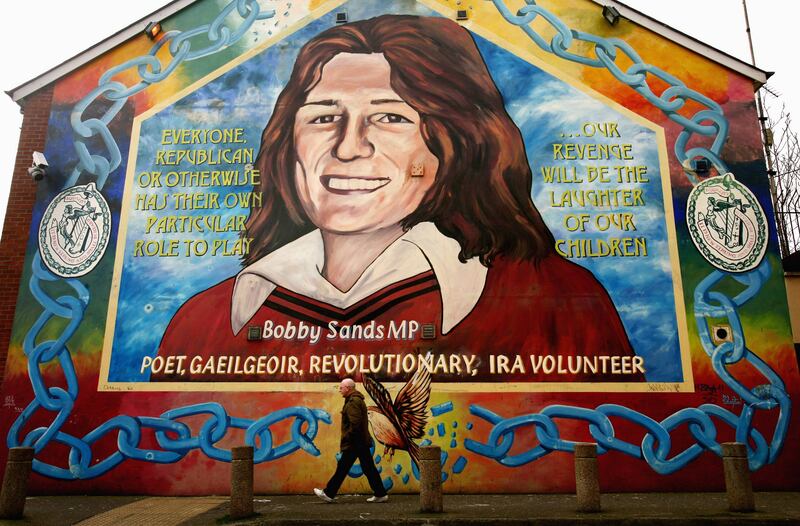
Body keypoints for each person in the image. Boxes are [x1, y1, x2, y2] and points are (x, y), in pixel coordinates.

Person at [154, 14, 643, 384]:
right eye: (323, 117)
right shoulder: (208, 321)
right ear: (289, 144)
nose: (349, 148)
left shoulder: (554, 302)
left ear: (455, 144)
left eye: (391, 118)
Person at [314, 378, 388, 503]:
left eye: (341, 387)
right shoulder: (354, 400)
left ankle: (328, 493)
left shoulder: (353, 402)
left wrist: (348, 437)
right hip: (359, 441)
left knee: (343, 468)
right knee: (367, 468)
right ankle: (380, 493)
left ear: (348, 388)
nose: (339, 390)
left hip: (355, 442)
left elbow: (355, 423)